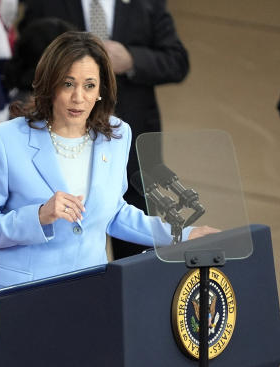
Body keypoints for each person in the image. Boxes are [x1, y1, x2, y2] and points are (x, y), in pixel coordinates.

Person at [0, 31, 212, 367]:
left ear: (104, 89)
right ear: (49, 83)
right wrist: (38, 215)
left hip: (82, 307)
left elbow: (115, 213)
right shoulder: (5, 142)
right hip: (16, 309)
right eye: (69, 84)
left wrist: (184, 235)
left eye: (90, 85)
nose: (79, 98)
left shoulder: (117, 136)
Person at [18, 0, 189, 259]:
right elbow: (26, 57)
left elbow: (177, 61)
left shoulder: (148, 5)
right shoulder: (46, 4)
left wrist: (132, 59)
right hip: (63, 149)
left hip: (132, 152)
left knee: (135, 258)